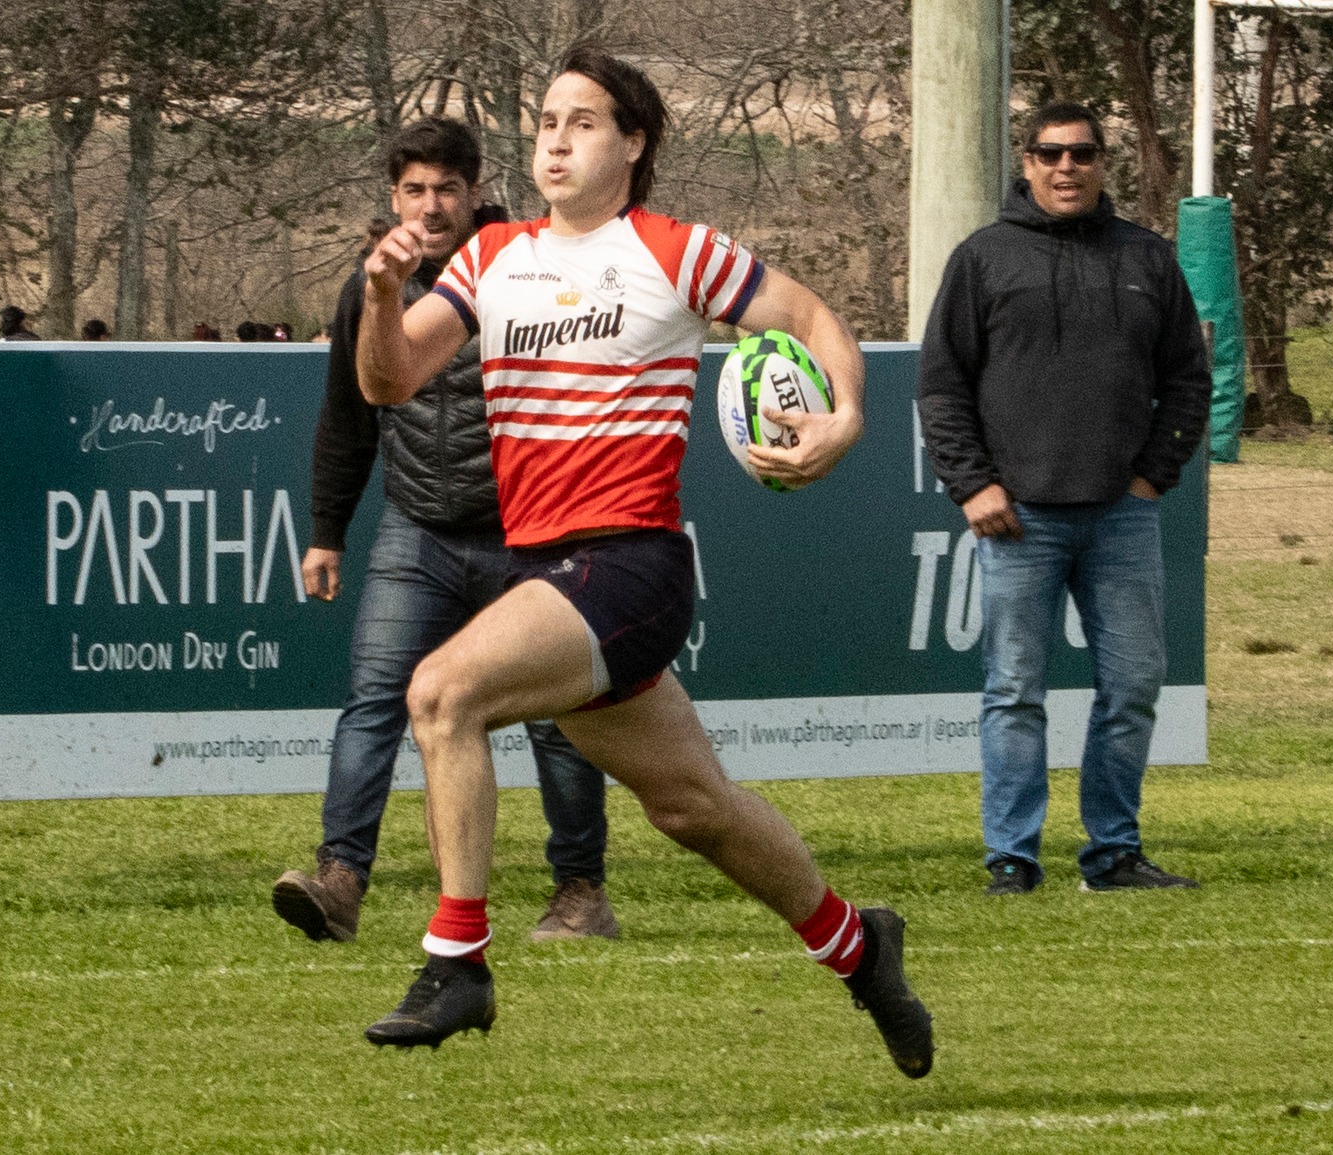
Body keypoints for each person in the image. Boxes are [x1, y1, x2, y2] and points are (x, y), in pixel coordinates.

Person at [351, 49, 933, 1078]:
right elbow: (390, 382)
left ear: (633, 143)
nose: (556, 140)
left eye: (581, 122)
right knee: (693, 811)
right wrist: (382, 293)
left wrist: (843, 419)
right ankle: (856, 944)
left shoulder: (672, 251)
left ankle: (456, 963)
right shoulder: (489, 259)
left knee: (439, 694)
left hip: (627, 567)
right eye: (544, 122)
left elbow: (808, 317)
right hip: (552, 579)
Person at [273, 116, 620, 949]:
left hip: (529, 533)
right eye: (414, 191)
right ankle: (340, 880)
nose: (430, 207)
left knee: (560, 718)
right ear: (394, 197)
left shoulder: (529, 269)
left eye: (447, 191)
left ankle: (580, 893)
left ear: (475, 193)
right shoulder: (372, 286)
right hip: (416, 531)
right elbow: (348, 415)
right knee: (374, 702)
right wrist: (328, 531)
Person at [916, 102, 1212, 897]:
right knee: (1014, 690)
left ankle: (1113, 854)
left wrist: (1152, 477)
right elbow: (942, 387)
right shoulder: (983, 258)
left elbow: (1188, 380)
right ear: (1028, 162)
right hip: (1020, 520)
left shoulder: (1146, 258)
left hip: (1122, 514)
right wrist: (972, 485)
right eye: (1050, 154)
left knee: (1134, 687)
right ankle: (1012, 858)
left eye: (1082, 153)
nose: (1066, 168)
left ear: (1103, 162)